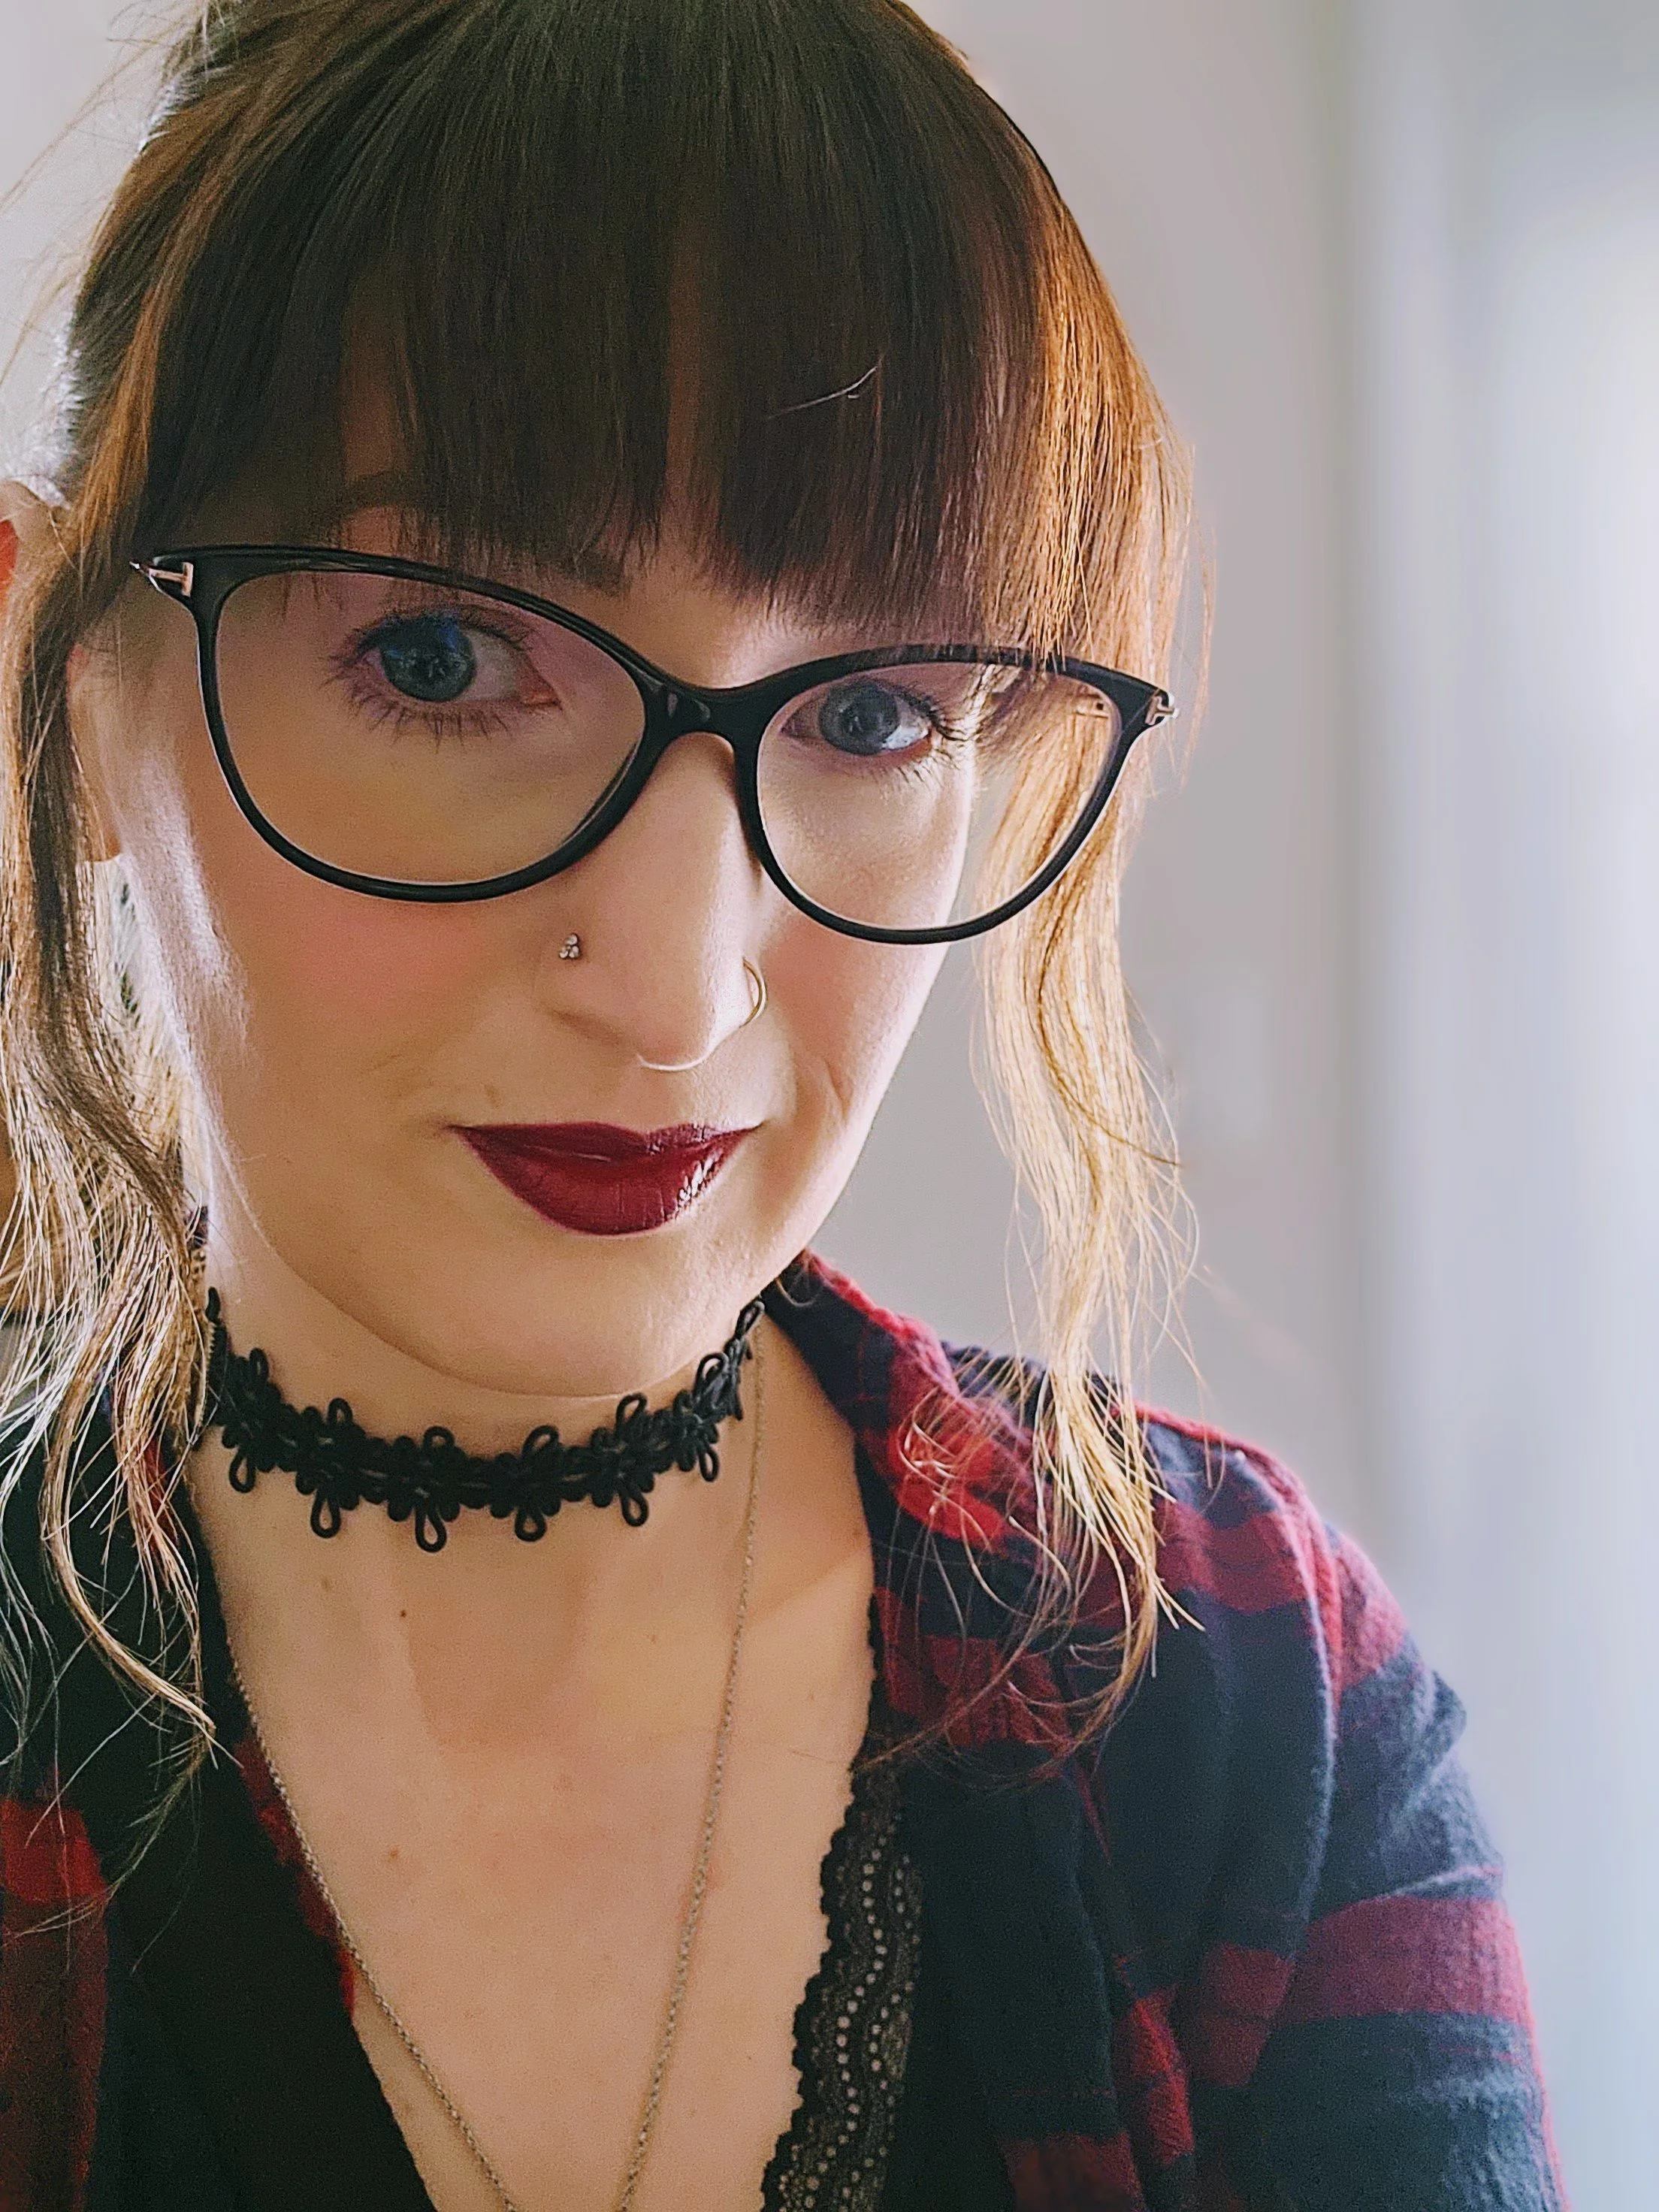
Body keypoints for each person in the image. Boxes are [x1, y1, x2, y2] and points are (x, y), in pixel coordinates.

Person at [0, 2, 1564, 2207]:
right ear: (62, 680)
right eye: (442, 659)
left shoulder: (1238, 1709)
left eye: (883, 709)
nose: (673, 979)